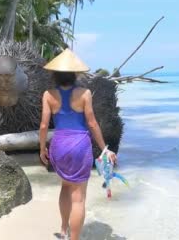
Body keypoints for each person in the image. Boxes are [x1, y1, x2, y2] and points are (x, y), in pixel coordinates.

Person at [39, 48, 117, 240]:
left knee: (65, 188)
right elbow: (91, 123)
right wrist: (105, 148)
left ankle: (64, 230)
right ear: (75, 74)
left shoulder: (48, 95)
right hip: (80, 145)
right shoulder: (85, 93)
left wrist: (42, 148)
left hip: (59, 145)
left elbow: (43, 125)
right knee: (79, 197)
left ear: (55, 74)